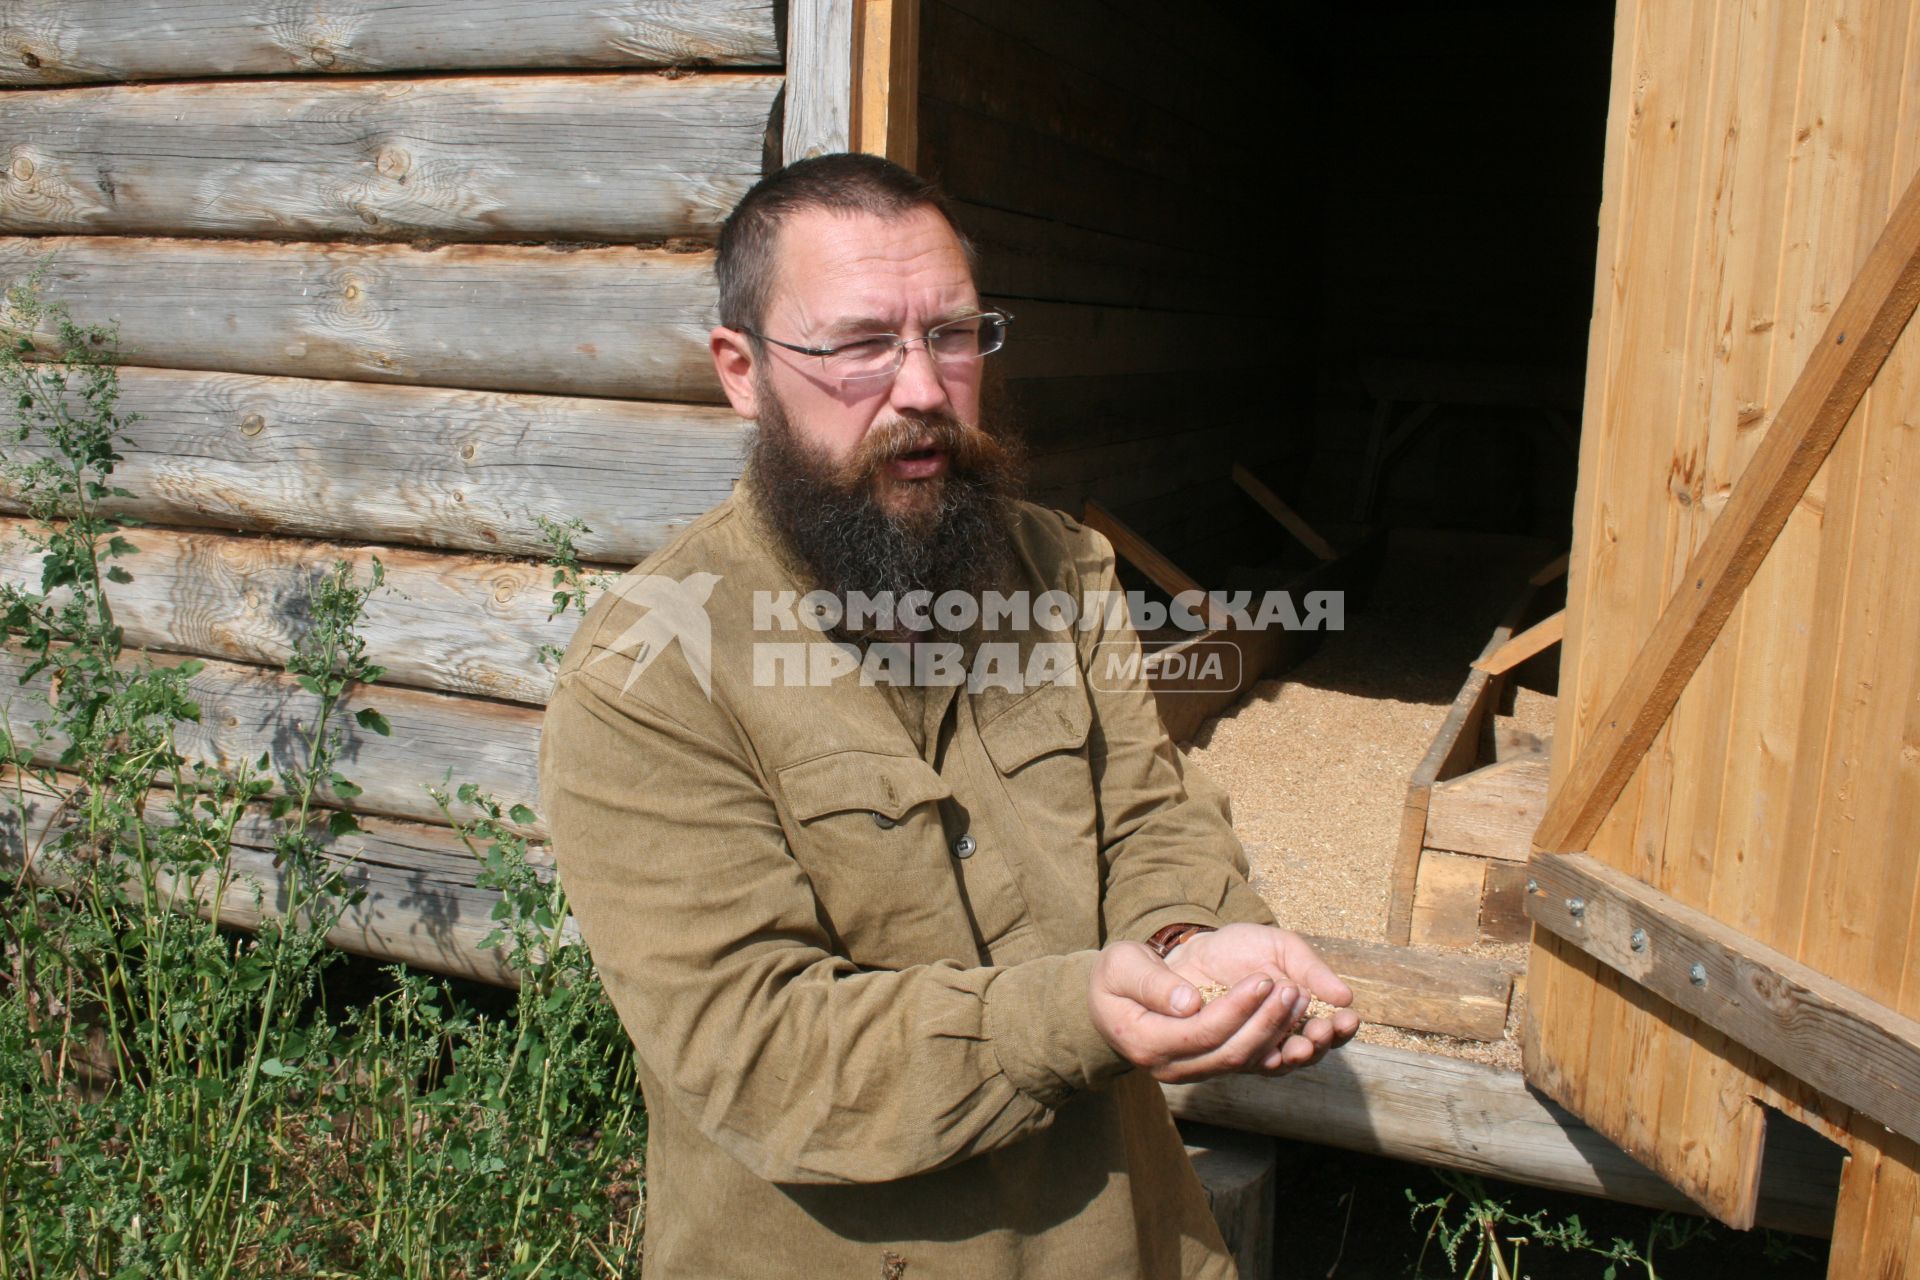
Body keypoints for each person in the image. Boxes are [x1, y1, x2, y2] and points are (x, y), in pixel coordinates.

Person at [536, 152, 1361, 1280]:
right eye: (862, 344)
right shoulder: (652, 672)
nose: (921, 387)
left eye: (954, 335)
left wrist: (1189, 941)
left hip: (1128, 1240)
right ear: (743, 370)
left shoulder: (1058, 568)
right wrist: (1076, 1012)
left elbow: (1147, 815)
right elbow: (761, 1050)